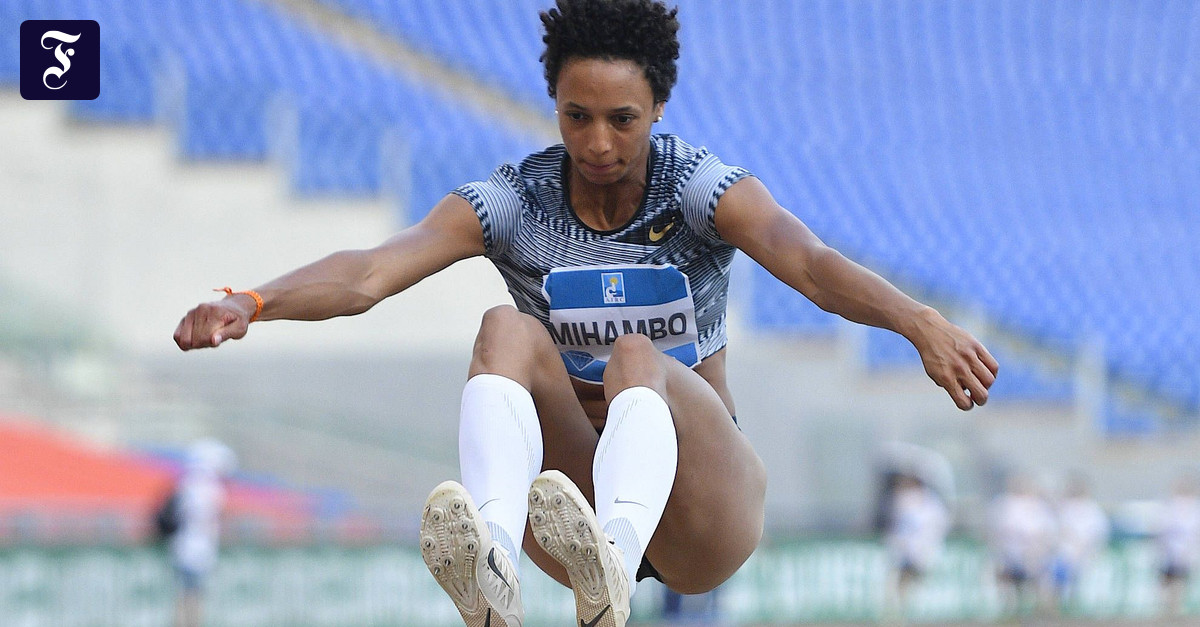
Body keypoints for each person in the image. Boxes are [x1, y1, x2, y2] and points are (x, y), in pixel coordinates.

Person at [172, 1, 999, 625]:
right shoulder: (516, 201)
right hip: (570, 498)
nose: (598, 142)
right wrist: (253, 300)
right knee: (504, 330)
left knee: (639, 355)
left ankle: (615, 566)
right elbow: (371, 272)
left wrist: (917, 322)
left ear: (659, 108)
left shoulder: (700, 188)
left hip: (703, 508)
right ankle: (494, 562)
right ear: (553, 105)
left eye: (621, 120)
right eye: (577, 116)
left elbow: (810, 261)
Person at [168, 438, 237, 627]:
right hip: (196, 550)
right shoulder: (207, 487)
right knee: (192, 596)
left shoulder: (188, 484)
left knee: (186, 594)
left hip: (185, 547)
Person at [882, 474, 951, 621]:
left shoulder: (929, 503)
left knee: (916, 581)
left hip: (922, 549)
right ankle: (901, 613)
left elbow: (936, 526)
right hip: (907, 549)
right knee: (904, 580)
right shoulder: (904, 500)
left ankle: (913, 613)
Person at [987, 473, 1056, 618]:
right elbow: (997, 530)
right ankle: (1009, 609)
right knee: (1004, 574)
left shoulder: (1038, 506)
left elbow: (1046, 532)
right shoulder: (1004, 503)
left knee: (1040, 575)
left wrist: (1038, 547)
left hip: (1033, 552)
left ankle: (1043, 610)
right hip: (1010, 551)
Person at [1048, 474, 1109, 615]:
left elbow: (1097, 533)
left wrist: (1085, 547)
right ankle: (1055, 608)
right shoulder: (1064, 508)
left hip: (1086, 552)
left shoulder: (1092, 509)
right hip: (1064, 552)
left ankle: (1075, 606)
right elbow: (1057, 530)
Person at [1157, 474, 1200, 617]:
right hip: (1171, 550)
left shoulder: (1193, 508)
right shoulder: (1171, 506)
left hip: (1183, 550)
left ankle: (1175, 609)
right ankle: (1169, 608)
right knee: (1168, 581)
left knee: (1179, 580)